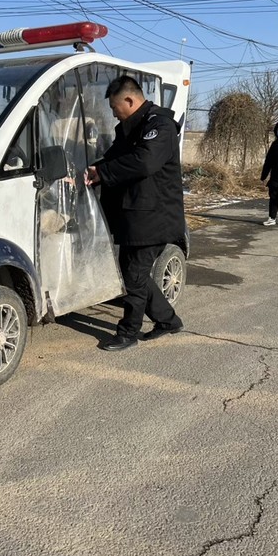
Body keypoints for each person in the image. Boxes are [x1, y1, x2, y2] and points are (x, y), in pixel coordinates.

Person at [84, 75, 185, 351]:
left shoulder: (159, 126)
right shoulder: (130, 127)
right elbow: (115, 158)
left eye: (116, 107)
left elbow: (144, 162)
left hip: (155, 217)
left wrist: (104, 173)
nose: (114, 113)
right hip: (136, 216)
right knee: (134, 273)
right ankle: (168, 320)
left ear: (130, 100)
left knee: (134, 276)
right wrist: (94, 171)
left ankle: (128, 332)